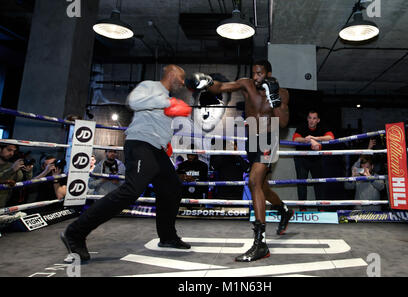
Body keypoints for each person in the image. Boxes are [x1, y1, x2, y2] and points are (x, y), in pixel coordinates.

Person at [61, 64, 193, 262]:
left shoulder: (166, 97)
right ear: (171, 73)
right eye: (181, 78)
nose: (182, 82)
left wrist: (166, 144)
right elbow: (133, 101)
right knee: (132, 190)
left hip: (156, 148)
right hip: (140, 143)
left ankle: (167, 237)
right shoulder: (151, 86)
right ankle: (75, 232)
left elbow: (155, 123)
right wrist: (167, 102)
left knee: (172, 188)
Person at [186, 60, 293, 262]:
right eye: (254, 73)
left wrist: (274, 97)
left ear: (268, 73)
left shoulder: (283, 92)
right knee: (262, 187)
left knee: (253, 181)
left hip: (270, 138)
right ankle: (284, 210)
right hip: (252, 138)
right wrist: (208, 82)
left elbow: (284, 121)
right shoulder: (247, 84)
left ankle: (260, 243)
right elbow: (222, 87)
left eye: (259, 73)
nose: (256, 77)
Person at [292, 110, 334, 205]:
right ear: (307, 119)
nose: (311, 120)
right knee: (302, 184)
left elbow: (331, 137)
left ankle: (321, 209)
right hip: (302, 159)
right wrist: (308, 140)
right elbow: (295, 138)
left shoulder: (322, 126)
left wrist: (315, 138)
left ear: (318, 120)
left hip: (316, 159)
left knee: (319, 183)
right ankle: (302, 209)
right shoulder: (302, 126)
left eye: (314, 118)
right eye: (310, 118)